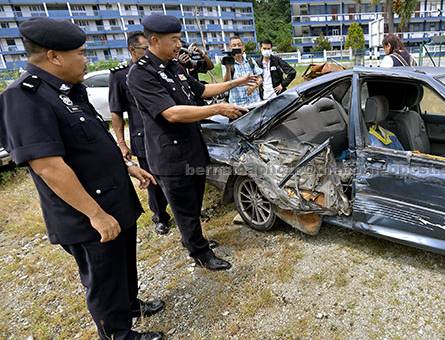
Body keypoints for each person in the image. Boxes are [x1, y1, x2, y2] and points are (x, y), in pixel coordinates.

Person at [0, 17, 164, 339]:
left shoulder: (68, 90)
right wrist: (96, 215)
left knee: (123, 264)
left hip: (113, 197)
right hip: (87, 213)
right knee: (103, 277)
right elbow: (47, 166)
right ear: (54, 56)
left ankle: (130, 305)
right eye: (81, 53)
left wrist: (126, 166)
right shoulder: (24, 97)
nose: (86, 60)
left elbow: (91, 143)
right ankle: (118, 333)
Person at [127, 14, 256, 271]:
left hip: (193, 148)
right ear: (154, 40)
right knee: (184, 209)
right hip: (170, 157)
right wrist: (217, 109)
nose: (179, 45)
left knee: (194, 203)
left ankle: (195, 240)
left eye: (179, 39)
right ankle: (199, 252)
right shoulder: (140, 75)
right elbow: (172, 113)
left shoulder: (174, 66)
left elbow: (201, 91)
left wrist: (237, 81)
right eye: (174, 40)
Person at [109, 31, 173, 235]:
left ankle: (184, 213)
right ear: (132, 50)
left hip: (167, 132)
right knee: (153, 179)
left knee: (175, 176)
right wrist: (121, 143)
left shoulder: (159, 69)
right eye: (144, 49)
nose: (148, 53)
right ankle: (160, 216)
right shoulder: (120, 76)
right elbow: (116, 113)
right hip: (143, 137)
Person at [223, 35, 263, 106]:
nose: (237, 47)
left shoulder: (250, 60)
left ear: (243, 47)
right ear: (230, 48)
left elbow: (260, 78)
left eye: (239, 45)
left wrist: (254, 86)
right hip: (237, 105)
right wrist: (228, 68)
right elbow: (226, 83)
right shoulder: (227, 63)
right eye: (234, 45)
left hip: (255, 102)